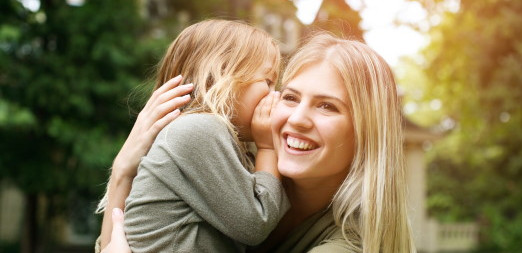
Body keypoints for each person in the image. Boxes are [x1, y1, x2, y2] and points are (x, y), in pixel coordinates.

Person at [98, 32, 415, 253]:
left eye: (327, 106)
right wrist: (123, 171)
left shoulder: (349, 243)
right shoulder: (243, 172)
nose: (297, 119)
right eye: (289, 97)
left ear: (365, 134)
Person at [95, 19, 289, 252]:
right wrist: (268, 148)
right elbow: (257, 223)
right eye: (267, 81)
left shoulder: (202, 135)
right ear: (222, 75)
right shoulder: (200, 129)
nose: (274, 94)